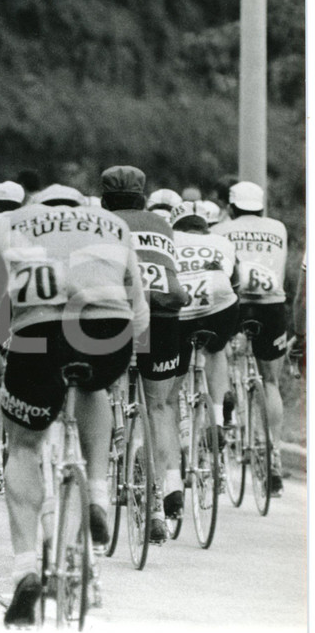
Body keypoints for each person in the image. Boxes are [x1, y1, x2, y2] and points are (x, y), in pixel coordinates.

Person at [0, 182, 148, 628]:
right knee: (94, 386)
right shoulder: (113, 224)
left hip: (38, 336)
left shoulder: (9, 223)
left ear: (35, 205)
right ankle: (98, 493)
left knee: (24, 446)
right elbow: (140, 311)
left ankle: (25, 567)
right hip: (108, 330)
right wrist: (124, 361)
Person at [99, 166, 189, 540]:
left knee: (101, 388)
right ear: (143, 197)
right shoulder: (162, 223)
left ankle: (115, 439)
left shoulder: (102, 222)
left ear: (104, 199)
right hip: (164, 312)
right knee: (160, 407)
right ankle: (161, 498)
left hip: (121, 311)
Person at [211, 182, 289, 494]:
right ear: (261, 207)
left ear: (231, 207)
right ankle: (274, 456)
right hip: (271, 304)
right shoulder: (278, 228)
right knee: (271, 382)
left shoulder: (219, 230)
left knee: (219, 353)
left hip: (236, 303)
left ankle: (226, 399)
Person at [170, 199, 239, 459]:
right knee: (216, 349)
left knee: (173, 371)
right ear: (204, 227)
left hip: (182, 309)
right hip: (219, 303)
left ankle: (178, 420)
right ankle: (218, 419)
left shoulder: (169, 240)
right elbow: (236, 282)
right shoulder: (222, 241)